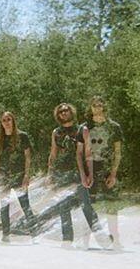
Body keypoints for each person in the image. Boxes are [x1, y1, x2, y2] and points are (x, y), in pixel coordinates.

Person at [47, 103, 111, 248]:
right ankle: (67, 239)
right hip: (61, 173)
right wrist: (50, 173)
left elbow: (88, 153)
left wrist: (90, 174)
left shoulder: (82, 130)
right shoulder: (56, 132)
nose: (64, 113)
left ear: (71, 112)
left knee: (86, 205)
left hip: (78, 173)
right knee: (63, 207)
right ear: (58, 115)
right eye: (61, 111)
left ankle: (101, 238)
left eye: (66, 110)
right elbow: (53, 154)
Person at [77, 95, 123, 247]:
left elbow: (117, 152)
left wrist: (114, 173)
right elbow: (79, 153)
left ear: (104, 107)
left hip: (107, 169)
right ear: (90, 107)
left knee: (111, 205)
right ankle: (85, 241)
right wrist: (83, 174)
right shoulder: (84, 128)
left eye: (100, 105)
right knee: (88, 206)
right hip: (90, 169)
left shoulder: (113, 127)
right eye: (94, 105)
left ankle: (116, 240)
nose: (97, 108)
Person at [0, 111, 38, 243]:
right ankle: (5, 235)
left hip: (19, 176)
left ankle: (34, 234)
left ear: (13, 121)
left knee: (25, 205)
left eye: (9, 119)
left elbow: (27, 157)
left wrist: (27, 175)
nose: (6, 122)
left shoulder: (22, 136)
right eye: (4, 120)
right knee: (4, 207)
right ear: (1, 123)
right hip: (4, 177)